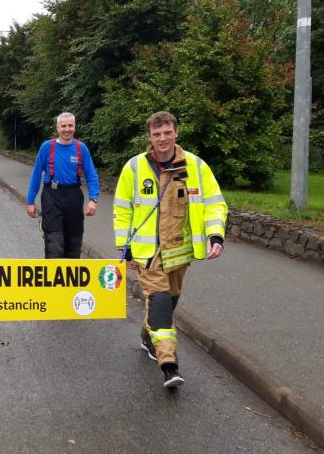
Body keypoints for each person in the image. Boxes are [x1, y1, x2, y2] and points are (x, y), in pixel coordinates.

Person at [113, 111, 227, 389]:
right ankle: (169, 365)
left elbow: (214, 203)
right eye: (156, 134)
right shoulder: (135, 167)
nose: (162, 138)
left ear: (176, 133)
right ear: (149, 137)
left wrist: (216, 235)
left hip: (180, 254)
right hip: (147, 255)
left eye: (167, 133)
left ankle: (146, 334)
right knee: (161, 304)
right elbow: (122, 208)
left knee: (169, 300)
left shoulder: (196, 167)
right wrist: (124, 247)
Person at [26, 112, 99, 258]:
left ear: (75, 127)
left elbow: (91, 174)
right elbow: (36, 174)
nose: (67, 129)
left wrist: (93, 199)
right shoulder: (47, 147)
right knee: (54, 243)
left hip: (73, 196)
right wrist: (30, 201)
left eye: (70, 125)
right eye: (63, 126)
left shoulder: (81, 148)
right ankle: (53, 278)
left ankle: (71, 279)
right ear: (57, 128)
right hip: (52, 196)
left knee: (74, 242)